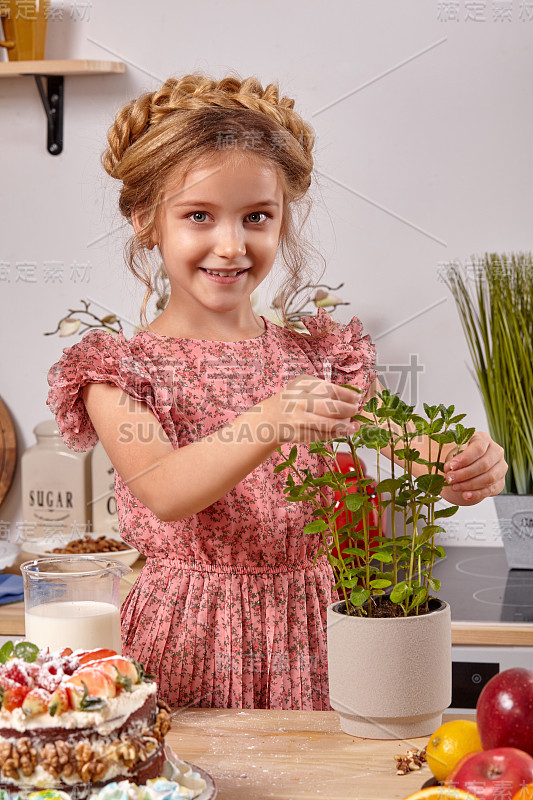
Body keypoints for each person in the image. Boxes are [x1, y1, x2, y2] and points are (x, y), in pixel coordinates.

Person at [47, 73, 507, 711]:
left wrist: (464, 463)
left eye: (256, 217)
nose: (232, 246)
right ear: (146, 220)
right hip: (187, 636)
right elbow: (163, 489)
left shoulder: (318, 356)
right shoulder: (118, 370)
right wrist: (273, 418)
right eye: (199, 216)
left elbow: (413, 448)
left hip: (320, 631)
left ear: (284, 218)